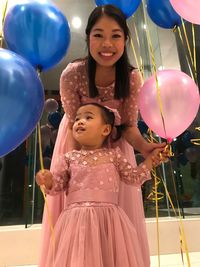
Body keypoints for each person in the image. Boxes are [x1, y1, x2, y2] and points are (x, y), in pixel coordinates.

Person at [39, 4, 166, 266]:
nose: (106, 44)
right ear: (88, 38)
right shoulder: (72, 74)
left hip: (116, 146)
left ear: (125, 39)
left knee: (115, 211)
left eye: (115, 35)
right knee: (74, 208)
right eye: (98, 35)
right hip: (76, 143)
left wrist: (144, 148)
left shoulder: (131, 78)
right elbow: (77, 122)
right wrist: (74, 165)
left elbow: (129, 125)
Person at [36, 103, 168, 267]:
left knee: (108, 256)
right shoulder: (68, 158)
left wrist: (149, 161)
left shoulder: (114, 156)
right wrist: (48, 180)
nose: (80, 122)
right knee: (80, 258)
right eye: (77, 119)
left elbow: (134, 178)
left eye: (88, 117)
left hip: (109, 220)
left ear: (105, 130)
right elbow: (58, 186)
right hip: (76, 221)